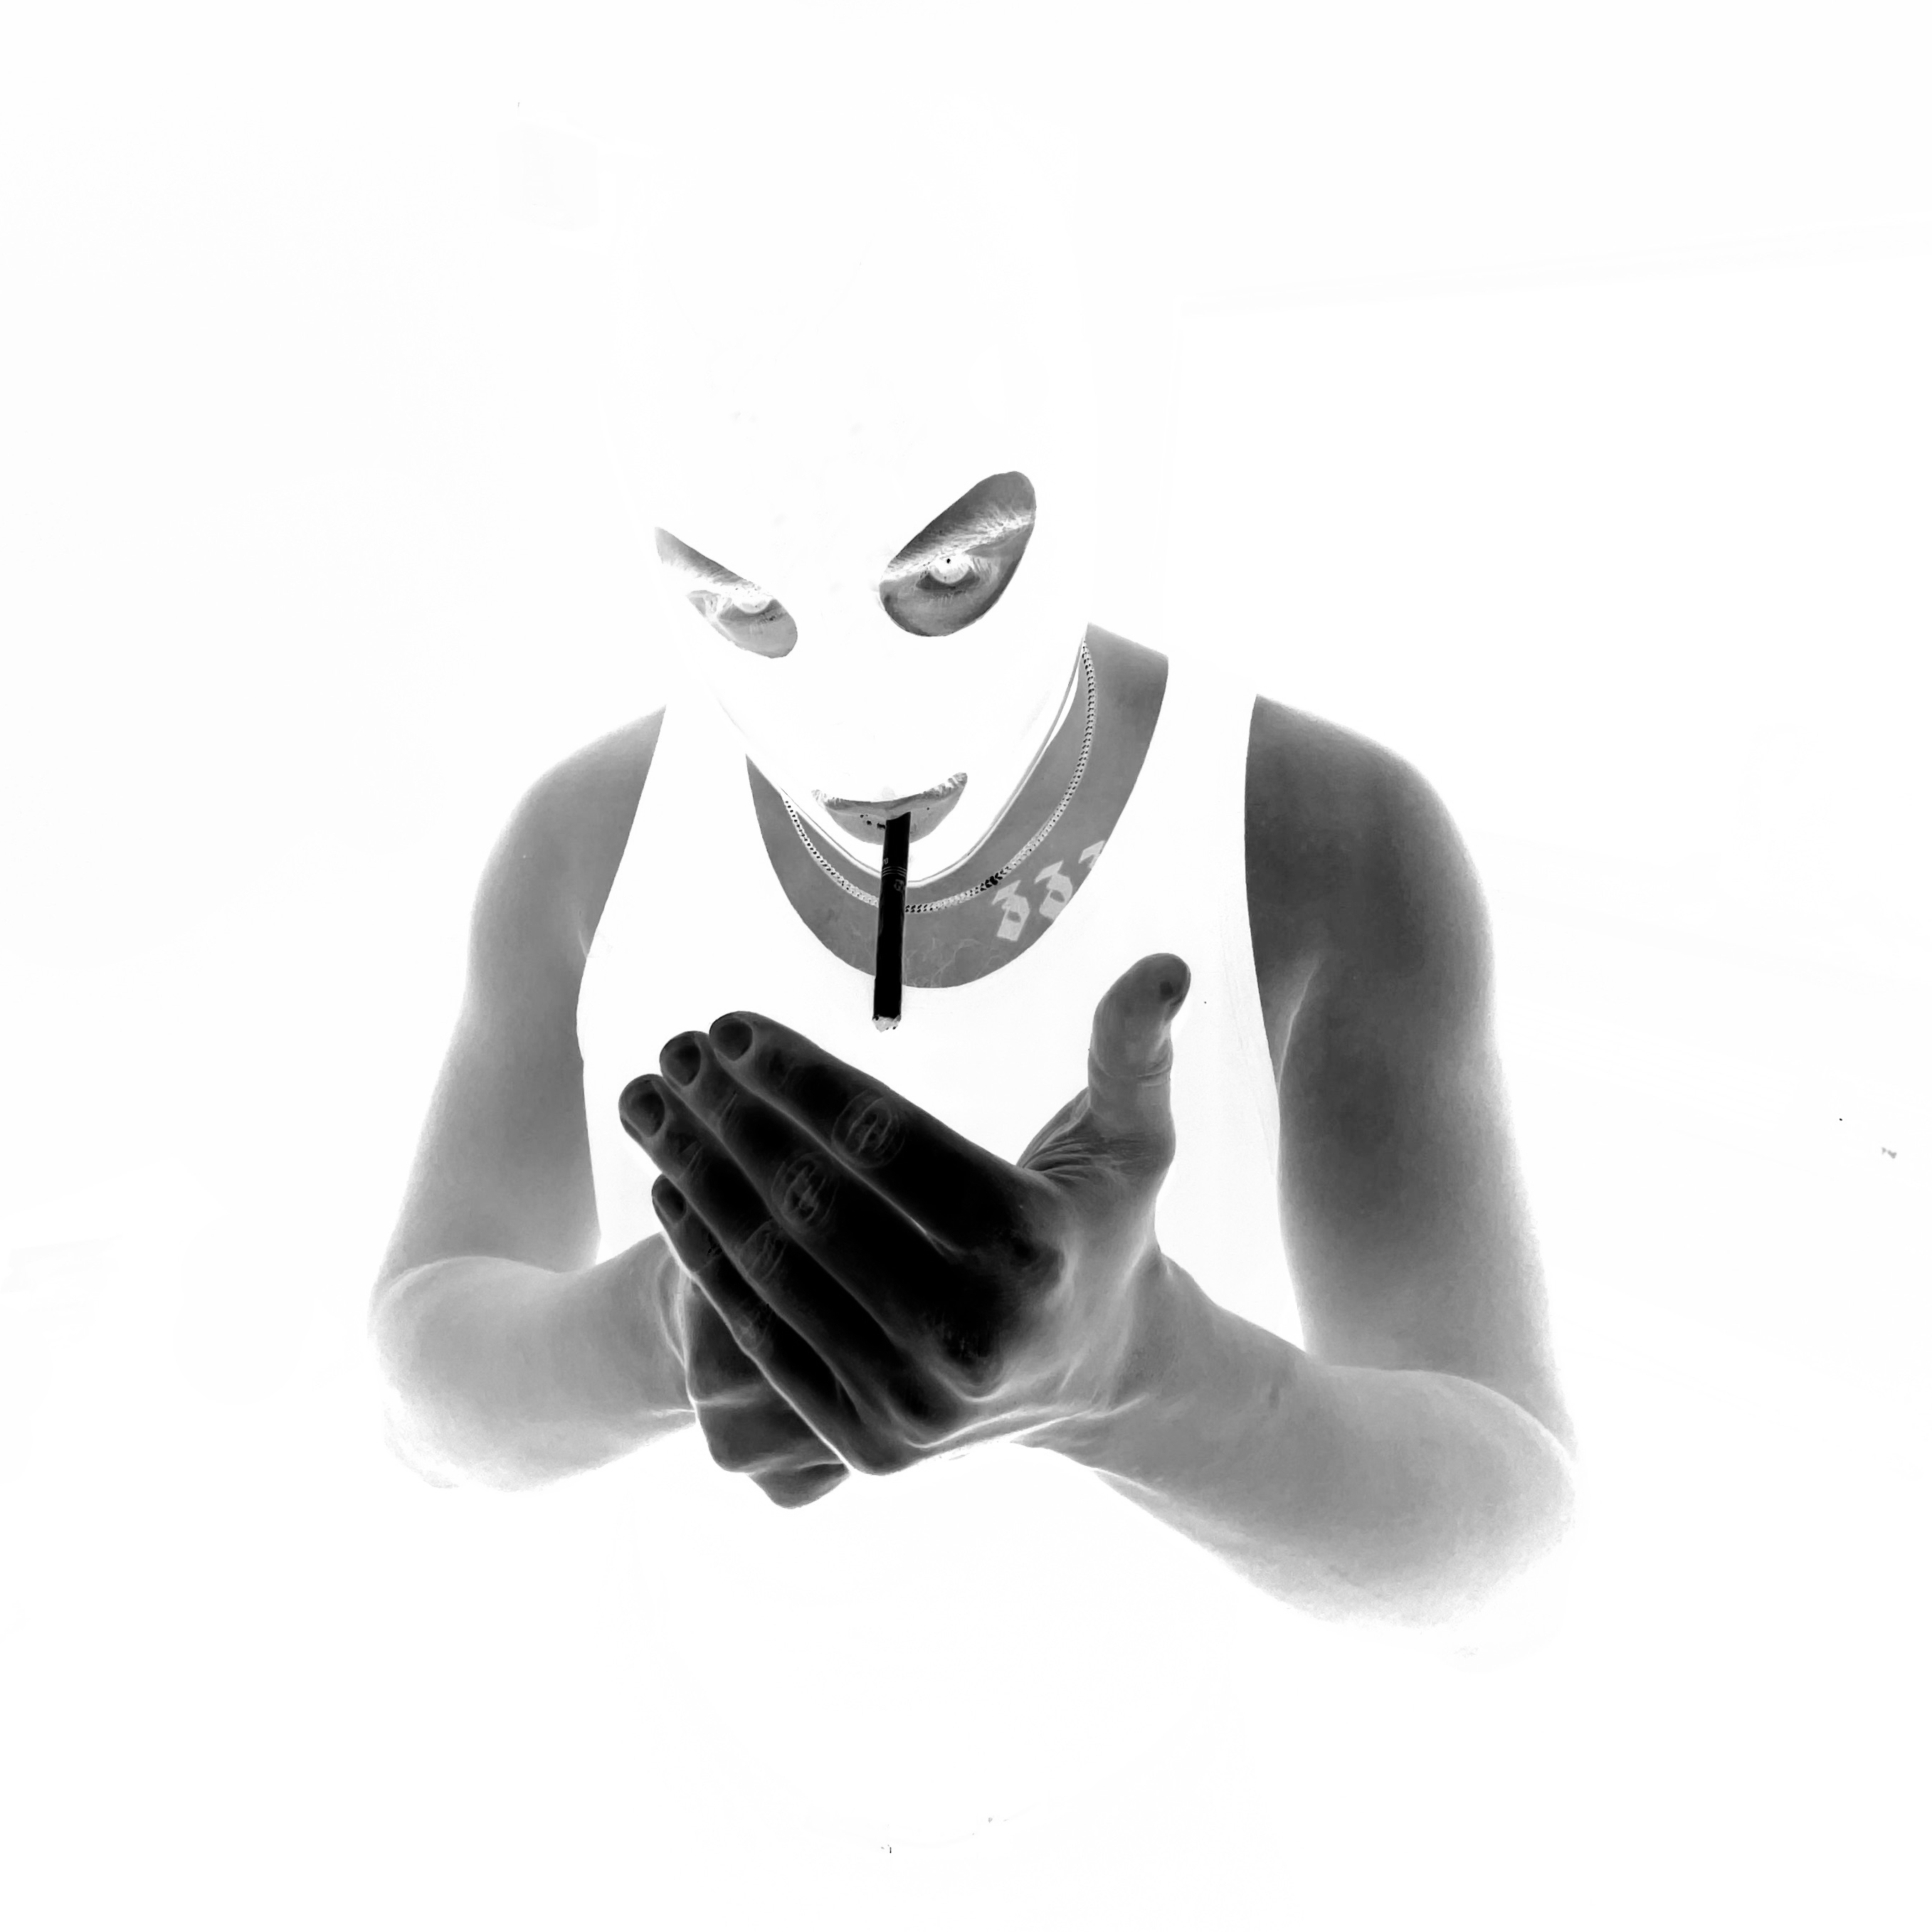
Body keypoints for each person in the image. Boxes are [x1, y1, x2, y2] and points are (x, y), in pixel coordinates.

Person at [366, 147, 1575, 1682]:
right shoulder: (584, 841)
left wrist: (1142, 1376)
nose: (852, 717)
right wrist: (666, 1329)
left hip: (1173, 1766)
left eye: (943, 569)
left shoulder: (1322, 836)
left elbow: (1511, 1544)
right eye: (738, 600)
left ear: (1074, 450)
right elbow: (418, 1396)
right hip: (713, 1736)